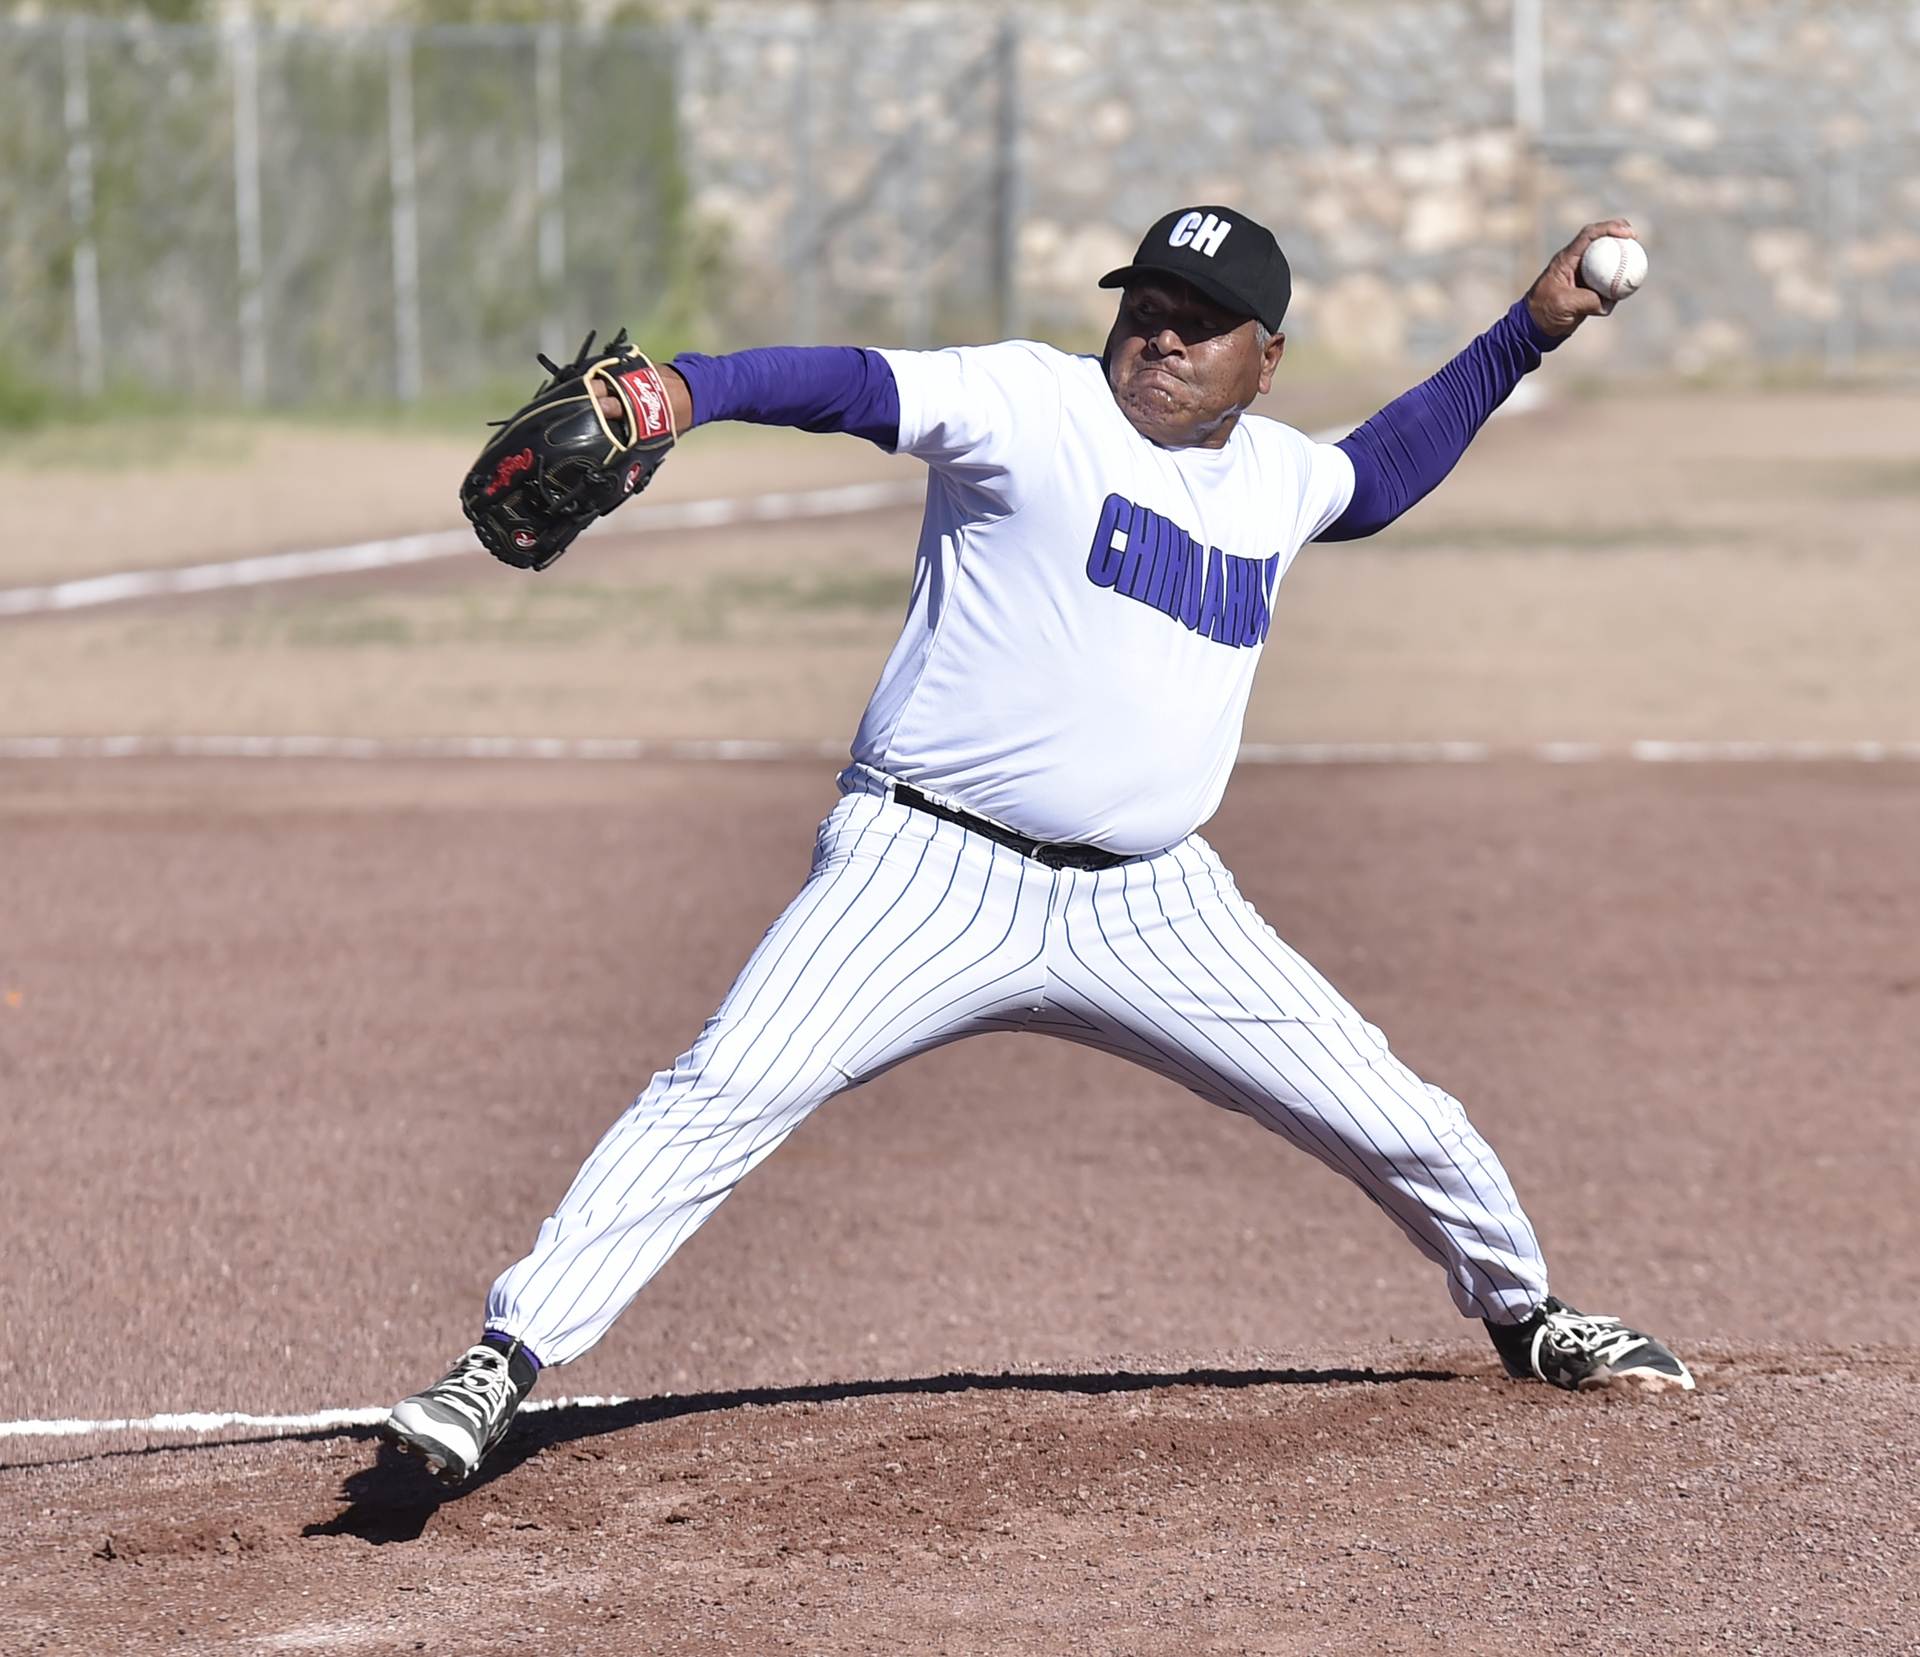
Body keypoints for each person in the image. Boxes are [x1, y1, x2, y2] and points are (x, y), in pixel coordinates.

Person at [383, 205, 1693, 1487]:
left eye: (1202, 325)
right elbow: (849, 383)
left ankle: (1528, 1311)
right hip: (924, 872)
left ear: (1267, 359)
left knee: (1401, 1115)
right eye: (1147, 310)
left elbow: (1381, 473)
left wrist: (1528, 332)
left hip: (1157, 905)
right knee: (726, 1086)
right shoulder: (1030, 403)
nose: (1163, 340)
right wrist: (685, 387)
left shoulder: (1280, 475)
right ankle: (503, 1358)